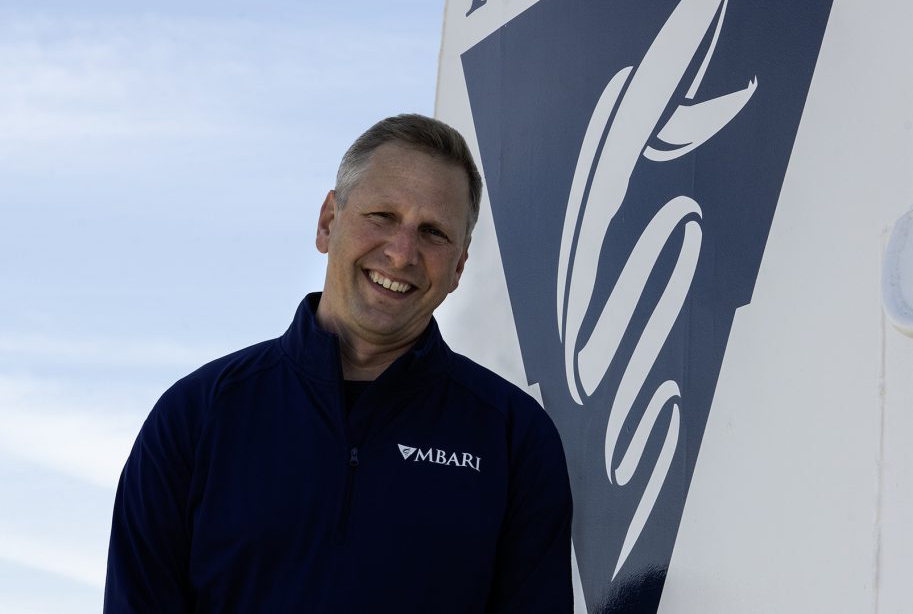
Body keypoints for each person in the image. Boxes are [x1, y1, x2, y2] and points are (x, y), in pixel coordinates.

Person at [104, 114, 574, 613]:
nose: (401, 253)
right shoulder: (196, 416)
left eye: (434, 232)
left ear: (459, 266)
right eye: (382, 216)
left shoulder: (514, 439)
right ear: (329, 221)